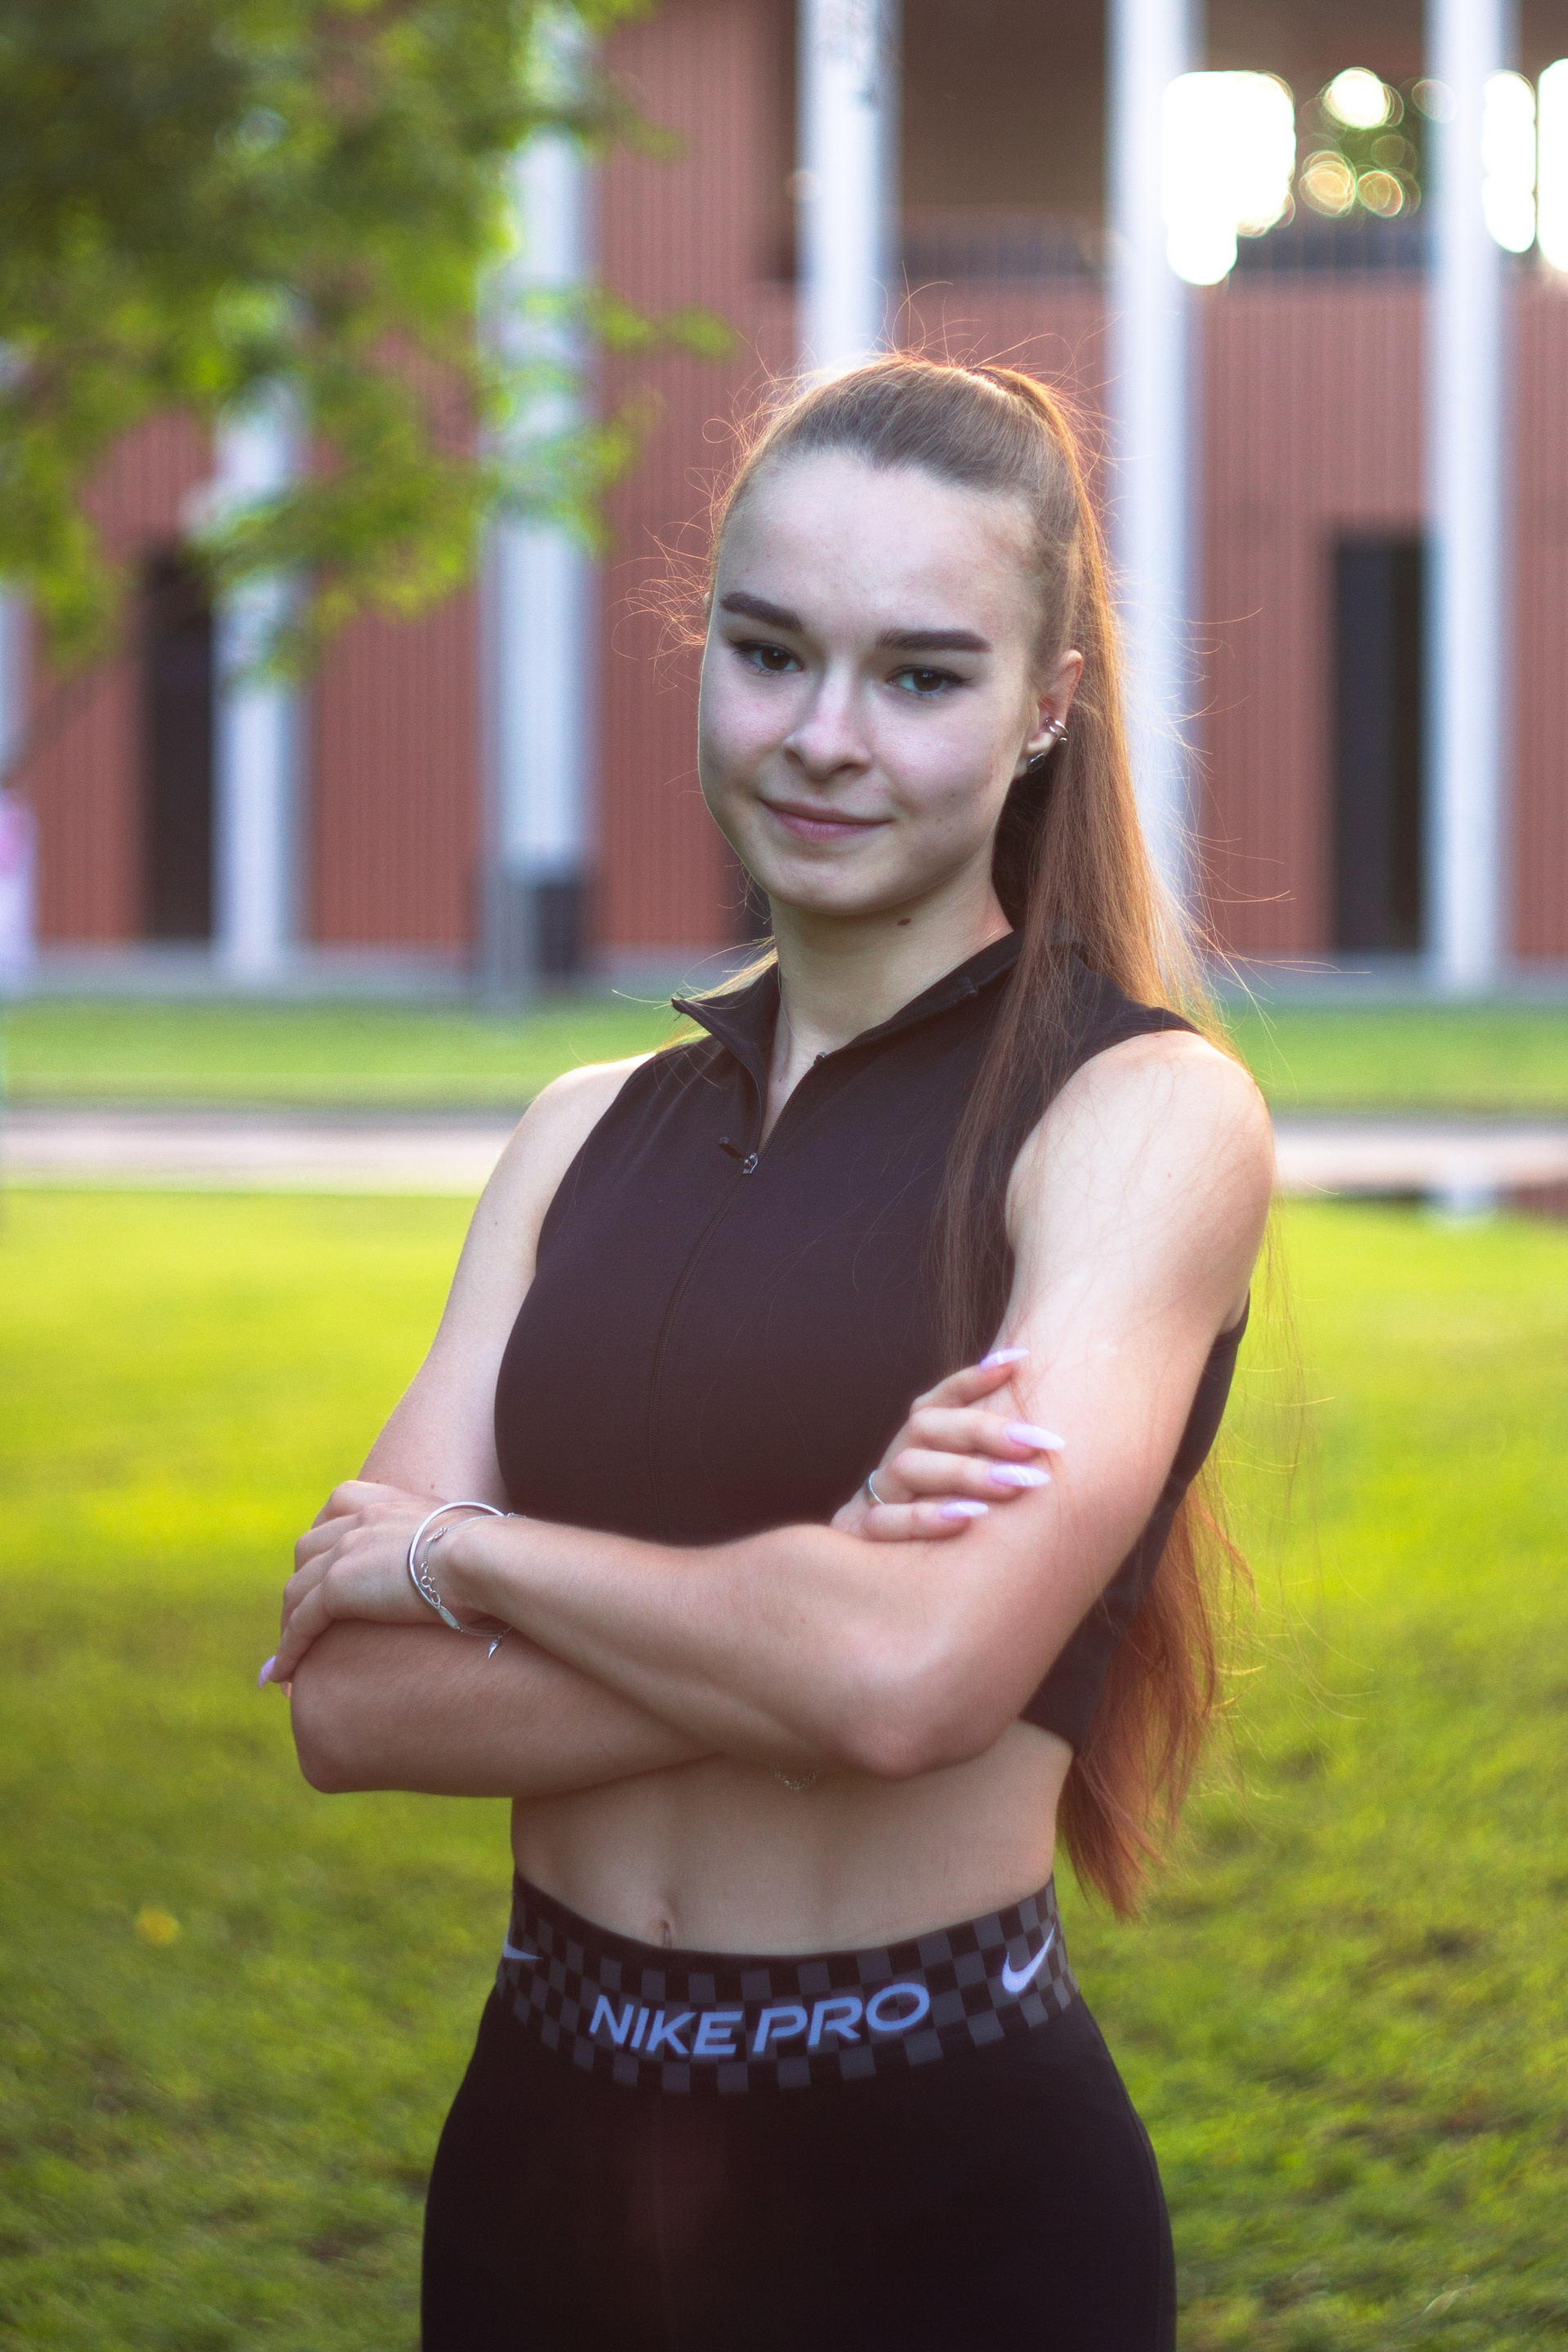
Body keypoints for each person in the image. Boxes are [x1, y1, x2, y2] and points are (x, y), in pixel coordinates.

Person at [266, 357, 1273, 2350]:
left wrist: (465, 1555)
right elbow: (353, 1707)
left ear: (1048, 705)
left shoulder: (1141, 1116)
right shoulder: (577, 1132)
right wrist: (805, 1611)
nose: (824, 737)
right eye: (769, 653)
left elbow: (912, 1685)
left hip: (936, 2183)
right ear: (706, 653)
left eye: (921, 676)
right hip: (540, 2165)